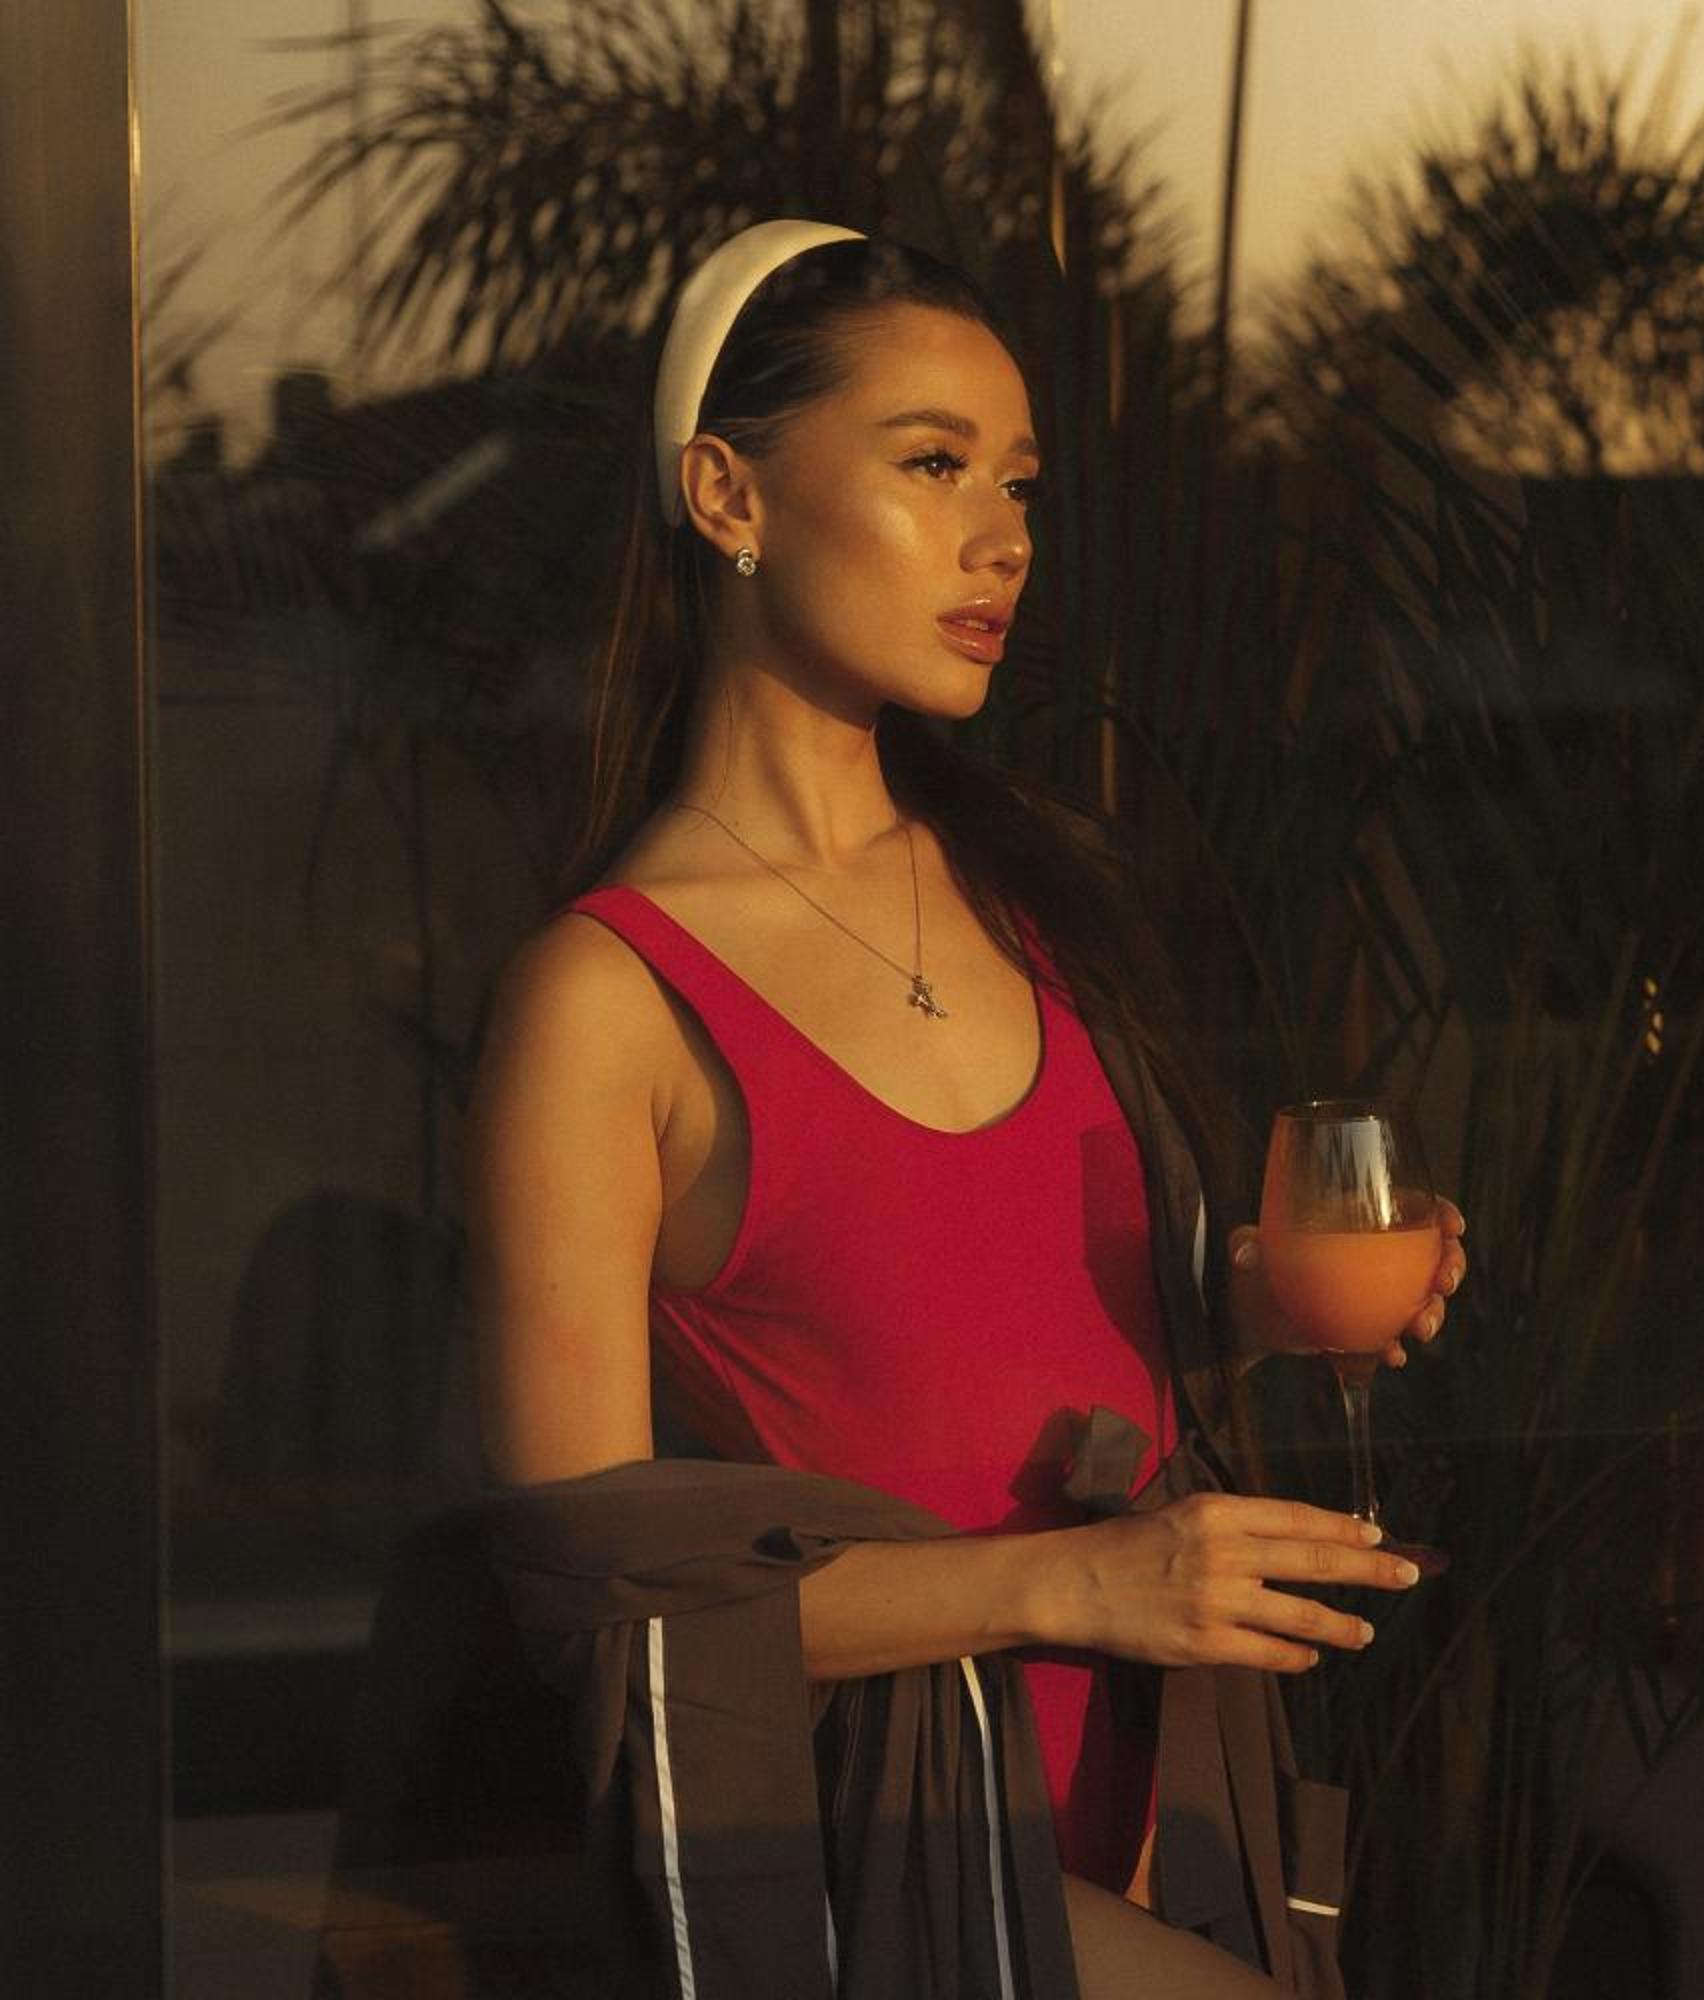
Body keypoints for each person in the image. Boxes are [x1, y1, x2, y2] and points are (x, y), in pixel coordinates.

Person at [463, 219, 1465, 1993]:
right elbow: (591, 1598)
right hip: (874, 1867)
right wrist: (1072, 1586)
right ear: (726, 494)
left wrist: (1255, 1301)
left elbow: (995, 1334)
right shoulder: (605, 1001)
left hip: (1154, 1807)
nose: (1003, 538)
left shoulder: (1029, 896)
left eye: (1018, 483)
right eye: (932, 466)